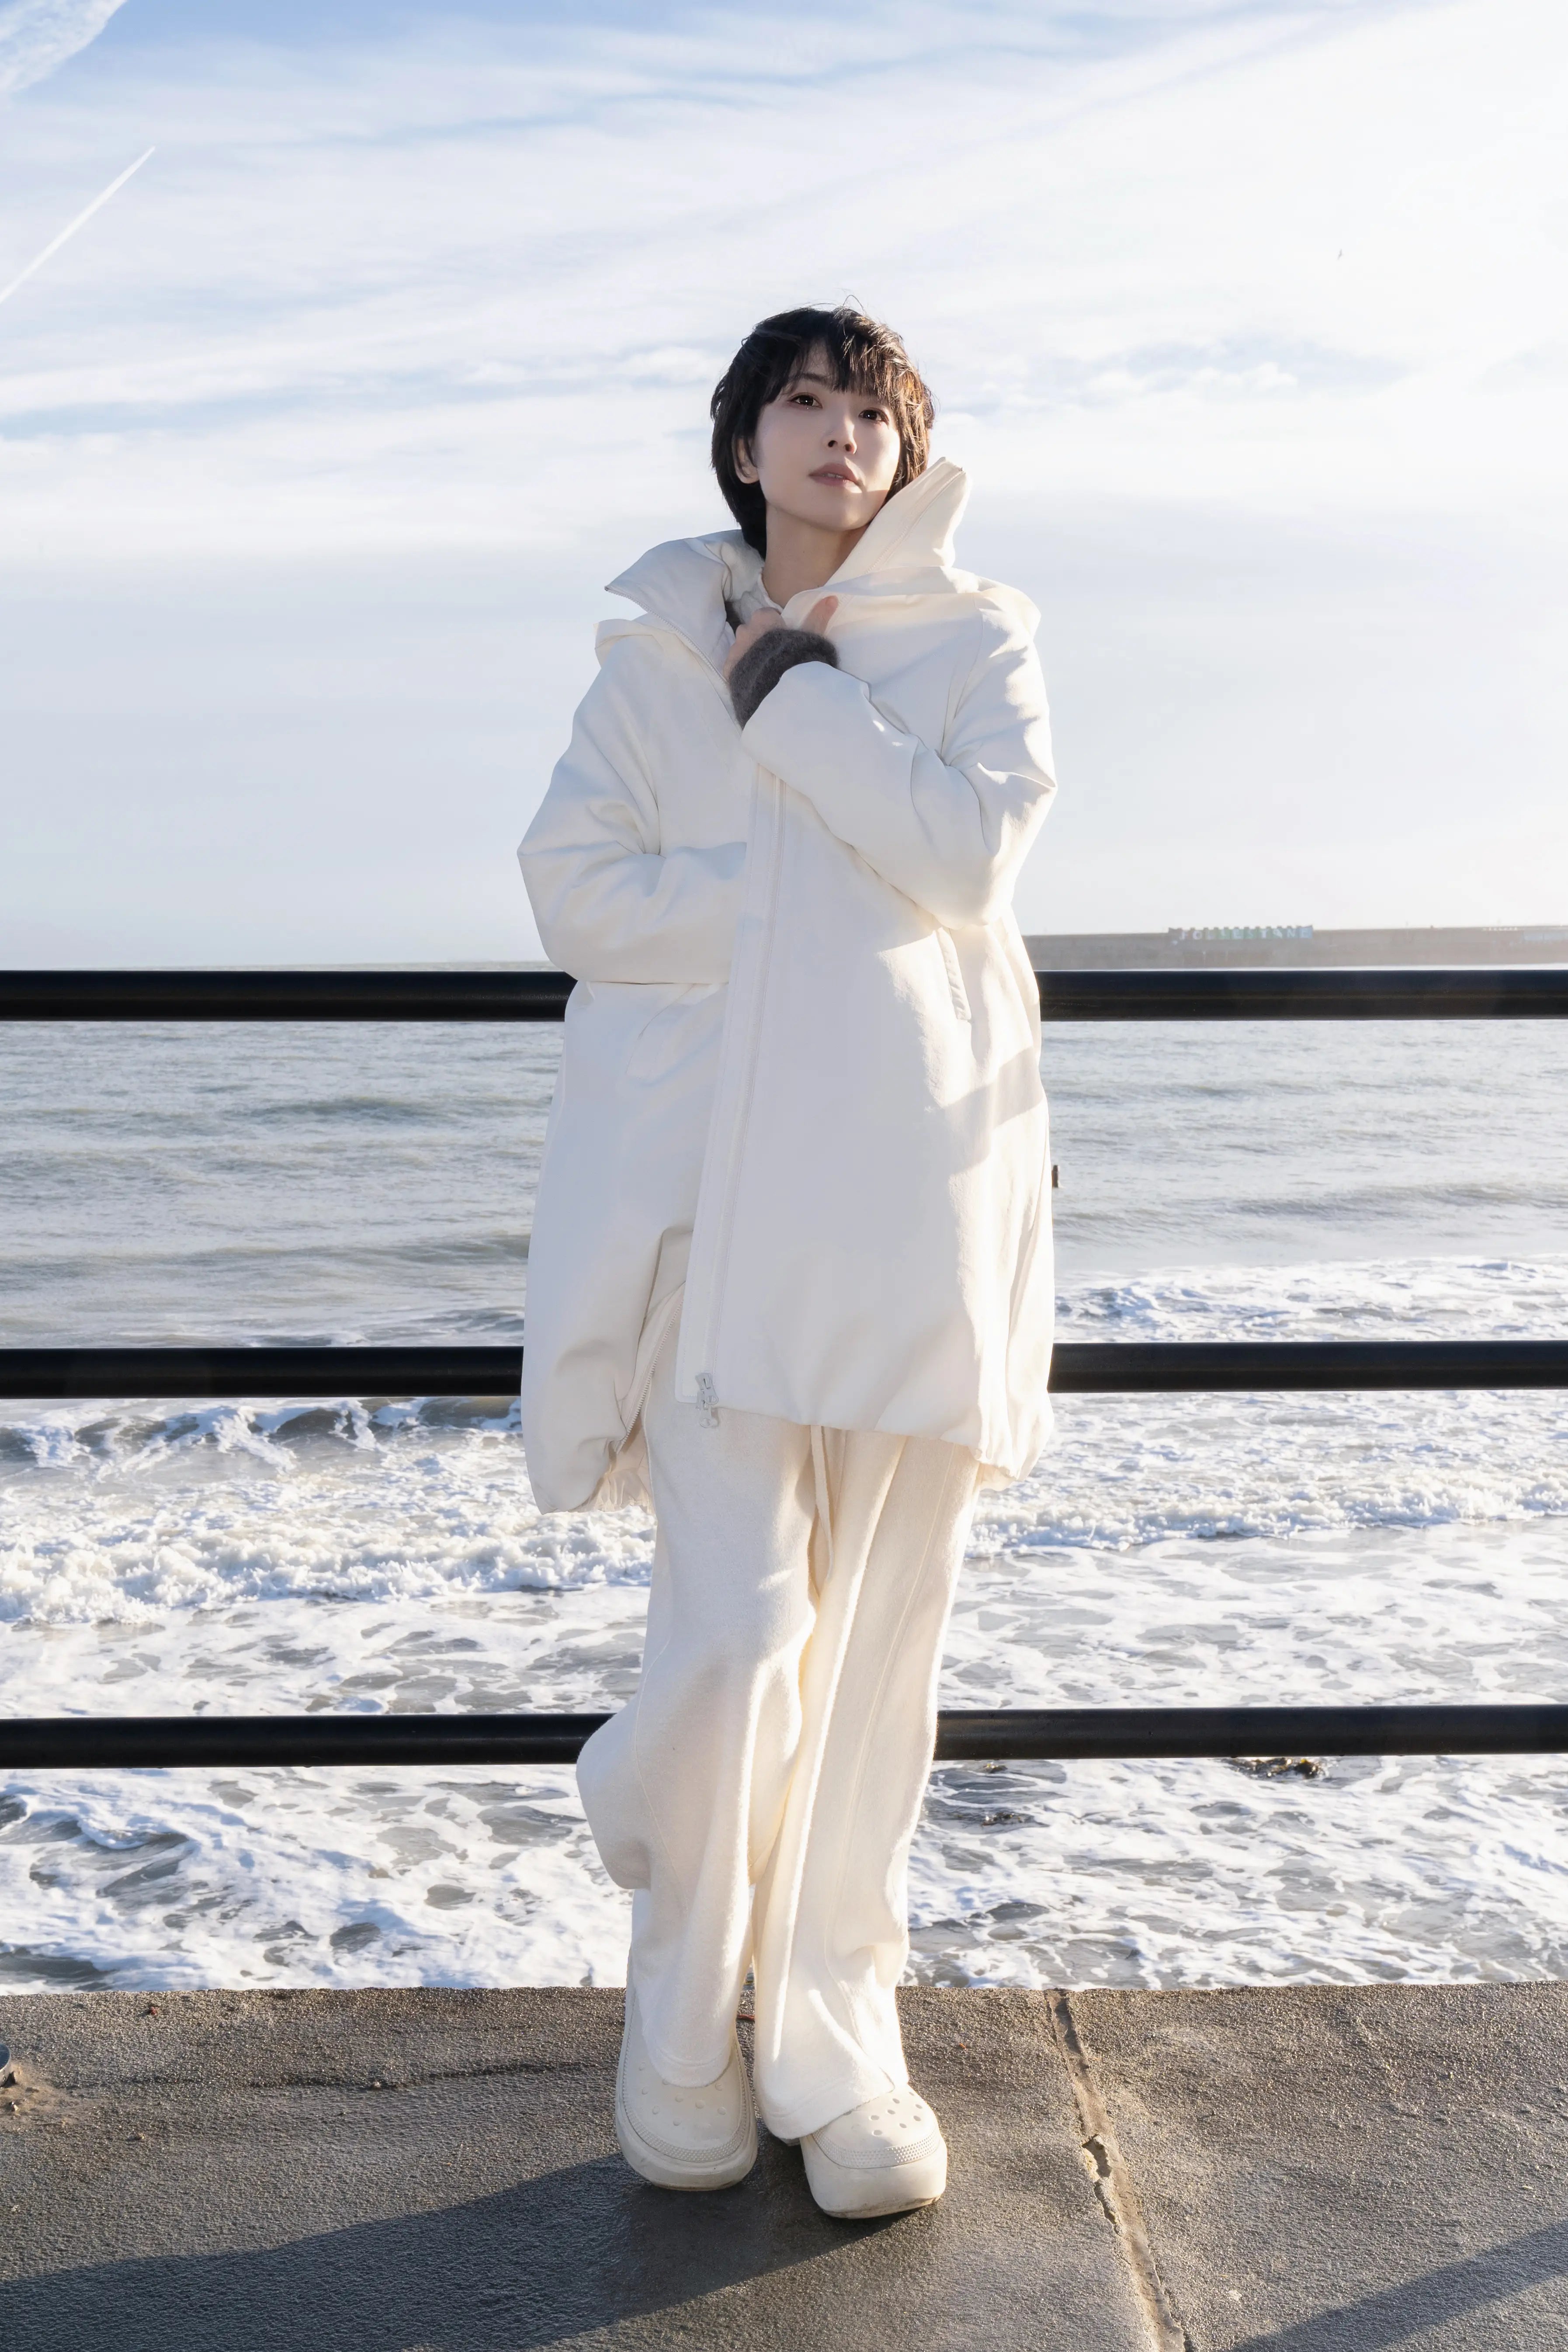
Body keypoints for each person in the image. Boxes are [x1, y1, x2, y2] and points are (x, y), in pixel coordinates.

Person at [517, 306, 1057, 2219]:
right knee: (744, 1632)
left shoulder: (978, 636)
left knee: (880, 1661)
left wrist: (801, 707)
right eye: (806, 405)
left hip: (913, 1202)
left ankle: (835, 2026)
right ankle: (679, 2014)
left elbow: (971, 861)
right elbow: (576, 888)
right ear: (745, 443)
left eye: (876, 413)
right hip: (719, 1221)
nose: (843, 437)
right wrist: (783, 908)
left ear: (911, 456)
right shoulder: (660, 653)